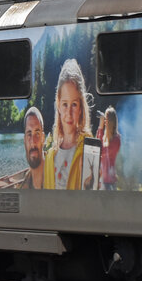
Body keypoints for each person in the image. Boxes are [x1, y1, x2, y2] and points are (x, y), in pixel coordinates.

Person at [44, 58, 93, 190]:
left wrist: (93, 183)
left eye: (74, 105)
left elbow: (92, 199)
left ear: (81, 108)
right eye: (65, 104)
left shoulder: (89, 149)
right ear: (58, 105)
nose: (69, 113)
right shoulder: (50, 156)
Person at [0, 107, 45, 189]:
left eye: (37, 133)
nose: (32, 141)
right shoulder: (27, 181)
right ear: (24, 140)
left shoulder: (56, 174)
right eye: (29, 133)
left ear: (43, 138)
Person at [97, 107, 121, 190]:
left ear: (110, 121)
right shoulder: (105, 138)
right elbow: (97, 147)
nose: (104, 122)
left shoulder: (116, 139)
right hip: (103, 180)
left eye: (106, 120)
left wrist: (100, 128)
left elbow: (101, 150)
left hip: (110, 182)